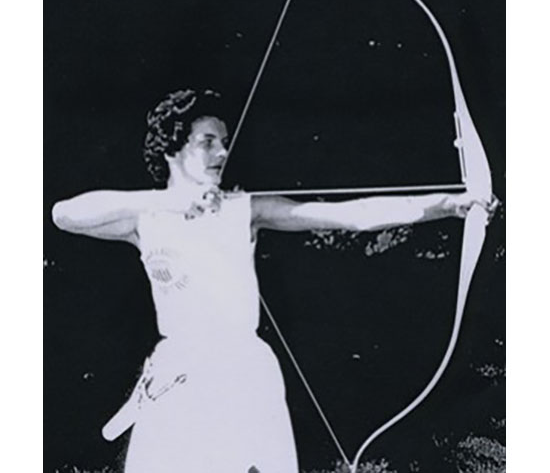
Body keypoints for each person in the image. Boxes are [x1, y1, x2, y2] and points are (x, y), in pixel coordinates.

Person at [52, 89, 490, 473]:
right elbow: (64, 214)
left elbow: (350, 215)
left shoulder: (243, 210)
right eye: (208, 142)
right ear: (172, 149)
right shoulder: (144, 218)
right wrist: (170, 202)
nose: (221, 153)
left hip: (242, 369)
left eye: (224, 143)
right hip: (178, 371)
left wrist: (450, 204)